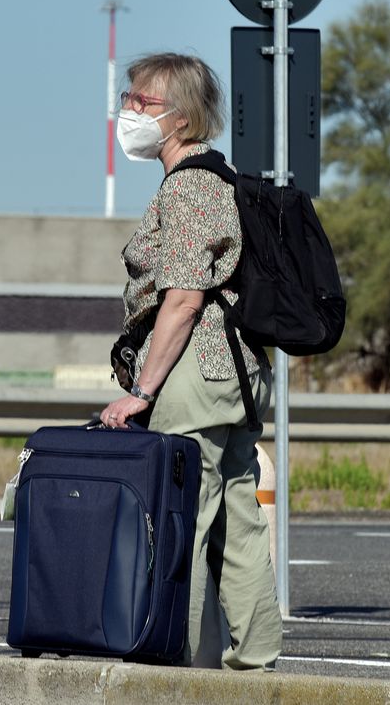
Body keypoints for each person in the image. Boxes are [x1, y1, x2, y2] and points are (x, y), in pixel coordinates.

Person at [98, 52, 281, 670]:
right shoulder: (214, 180)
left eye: (140, 102)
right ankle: (254, 664)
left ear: (179, 117)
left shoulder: (192, 186)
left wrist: (142, 392)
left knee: (182, 521)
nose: (127, 112)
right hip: (231, 374)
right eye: (128, 98)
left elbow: (181, 299)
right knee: (235, 518)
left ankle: (173, 666)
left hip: (194, 377)